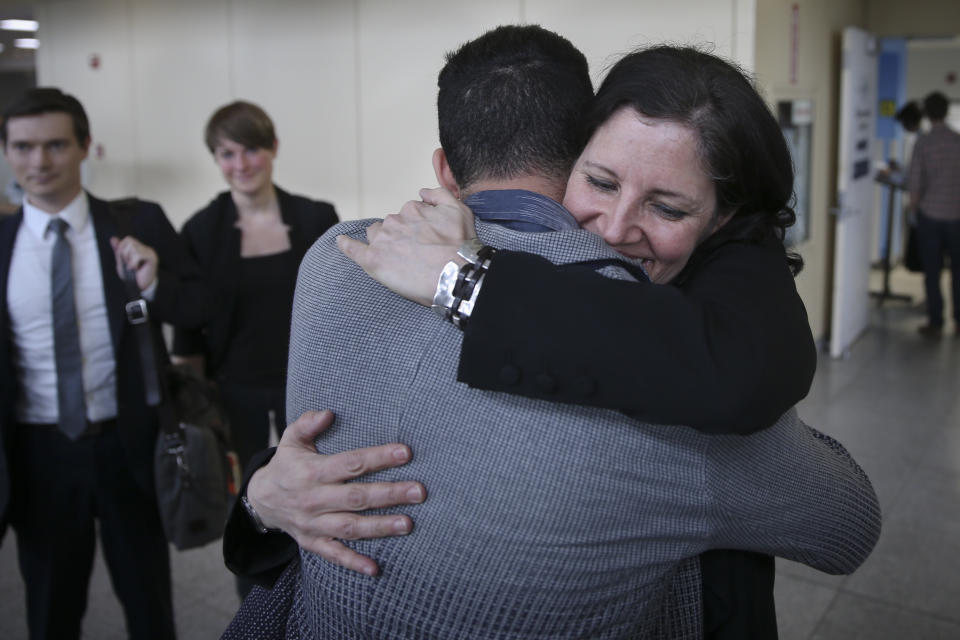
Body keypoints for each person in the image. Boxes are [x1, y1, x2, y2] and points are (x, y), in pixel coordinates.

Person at [225, 30, 879, 639]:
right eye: (601, 181)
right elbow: (849, 526)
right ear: (579, 157)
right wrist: (261, 495)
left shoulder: (333, 257)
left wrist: (258, 493)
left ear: (447, 171)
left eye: (669, 205)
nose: (617, 228)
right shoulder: (677, 419)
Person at [0, 87, 207, 639]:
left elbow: (196, 307)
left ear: (84, 146)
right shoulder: (1, 243)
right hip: (37, 452)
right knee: (49, 609)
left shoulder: (137, 223)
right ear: (6, 151)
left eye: (54, 145)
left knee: (149, 605)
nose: (38, 162)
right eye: (22, 147)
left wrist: (157, 279)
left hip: (127, 446)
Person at [171, 100, 342, 597]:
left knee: (319, 493)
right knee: (254, 504)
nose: (240, 165)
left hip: (309, 386)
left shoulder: (315, 218)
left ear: (273, 149)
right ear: (216, 159)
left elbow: (340, 301)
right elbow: (189, 327)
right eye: (227, 154)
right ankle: (257, 602)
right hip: (235, 391)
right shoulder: (201, 231)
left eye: (251, 150)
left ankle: (321, 591)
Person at [907, 91, 960, 337]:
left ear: (927, 114)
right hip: (957, 217)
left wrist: (913, 209)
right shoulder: (957, 140)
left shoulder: (924, 143)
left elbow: (915, 183)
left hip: (930, 215)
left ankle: (936, 322)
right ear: (947, 112)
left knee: (932, 271)